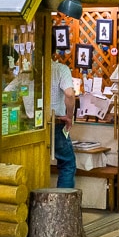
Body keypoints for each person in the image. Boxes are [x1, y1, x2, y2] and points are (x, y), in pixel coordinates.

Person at [51, 36, 76, 188]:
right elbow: (70, 94)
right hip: (56, 123)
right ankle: (62, 205)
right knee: (67, 163)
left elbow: (7, 91)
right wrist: (69, 116)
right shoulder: (60, 69)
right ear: (55, 50)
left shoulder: (26, 70)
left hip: (30, 125)